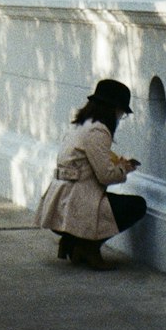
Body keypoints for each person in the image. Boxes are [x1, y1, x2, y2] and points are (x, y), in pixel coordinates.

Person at [34, 79, 147, 270]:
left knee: (114, 204)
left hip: (61, 200)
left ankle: (73, 241)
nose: (120, 117)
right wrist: (124, 168)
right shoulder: (98, 130)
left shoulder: (81, 124)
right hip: (75, 202)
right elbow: (106, 176)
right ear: (113, 108)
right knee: (136, 206)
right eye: (121, 112)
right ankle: (88, 246)